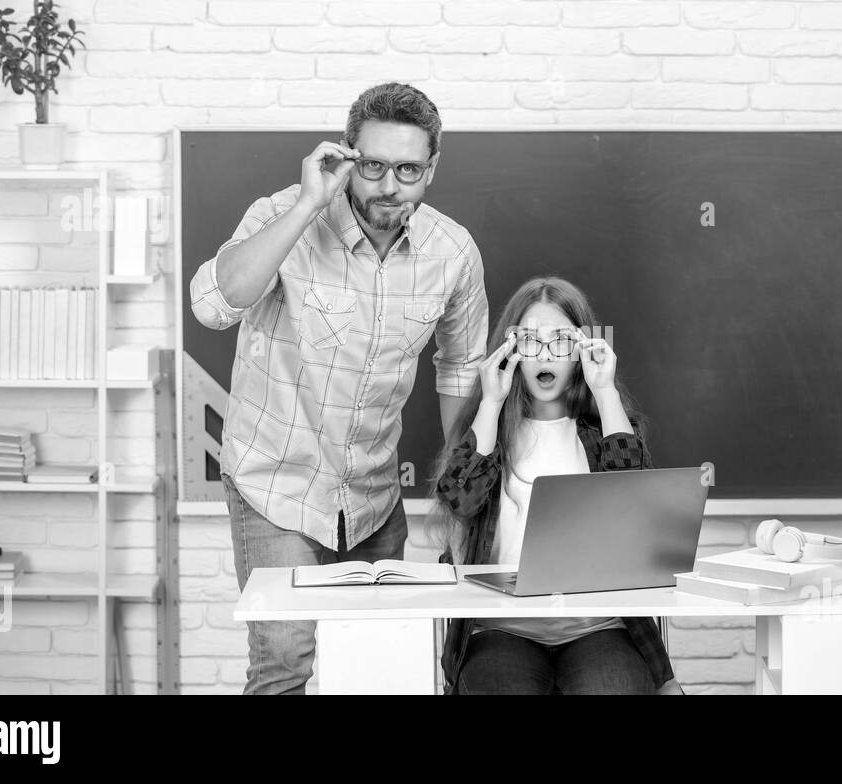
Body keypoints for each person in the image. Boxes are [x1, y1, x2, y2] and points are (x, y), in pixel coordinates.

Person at [189, 82, 488, 694]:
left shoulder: (452, 251)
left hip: (375, 495)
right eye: (373, 165)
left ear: (431, 169)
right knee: (284, 665)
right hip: (278, 487)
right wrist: (305, 206)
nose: (388, 185)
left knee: (381, 667)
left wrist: (462, 490)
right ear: (346, 155)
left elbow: (460, 366)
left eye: (408, 169)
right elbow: (212, 305)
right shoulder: (282, 213)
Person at [427, 277, 676, 694]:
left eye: (561, 341)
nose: (545, 353)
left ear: (580, 351)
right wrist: (490, 402)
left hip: (598, 625)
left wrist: (604, 390)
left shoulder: (604, 431)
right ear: (512, 352)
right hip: (501, 628)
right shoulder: (492, 430)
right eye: (530, 341)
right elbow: (460, 500)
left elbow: (638, 511)